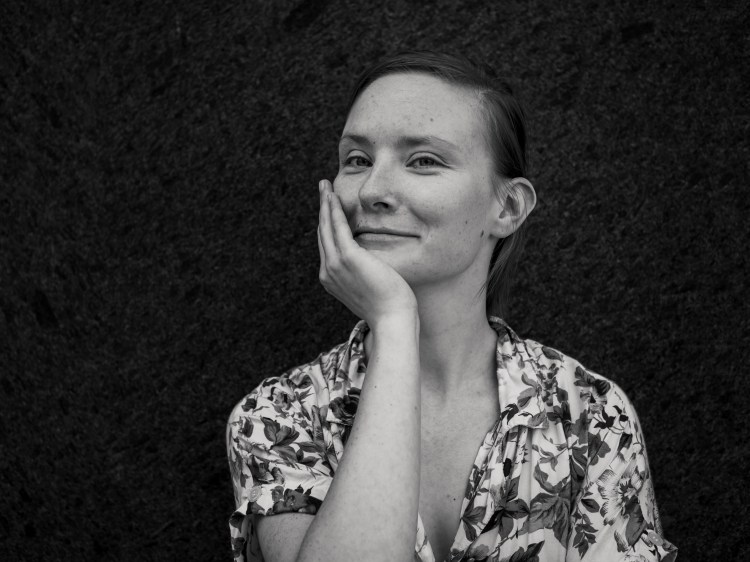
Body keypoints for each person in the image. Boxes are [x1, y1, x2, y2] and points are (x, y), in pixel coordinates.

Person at [226, 51, 677, 562]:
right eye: (357, 160)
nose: (371, 191)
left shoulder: (589, 413)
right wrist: (394, 325)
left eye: (423, 160)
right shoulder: (279, 416)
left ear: (507, 207)